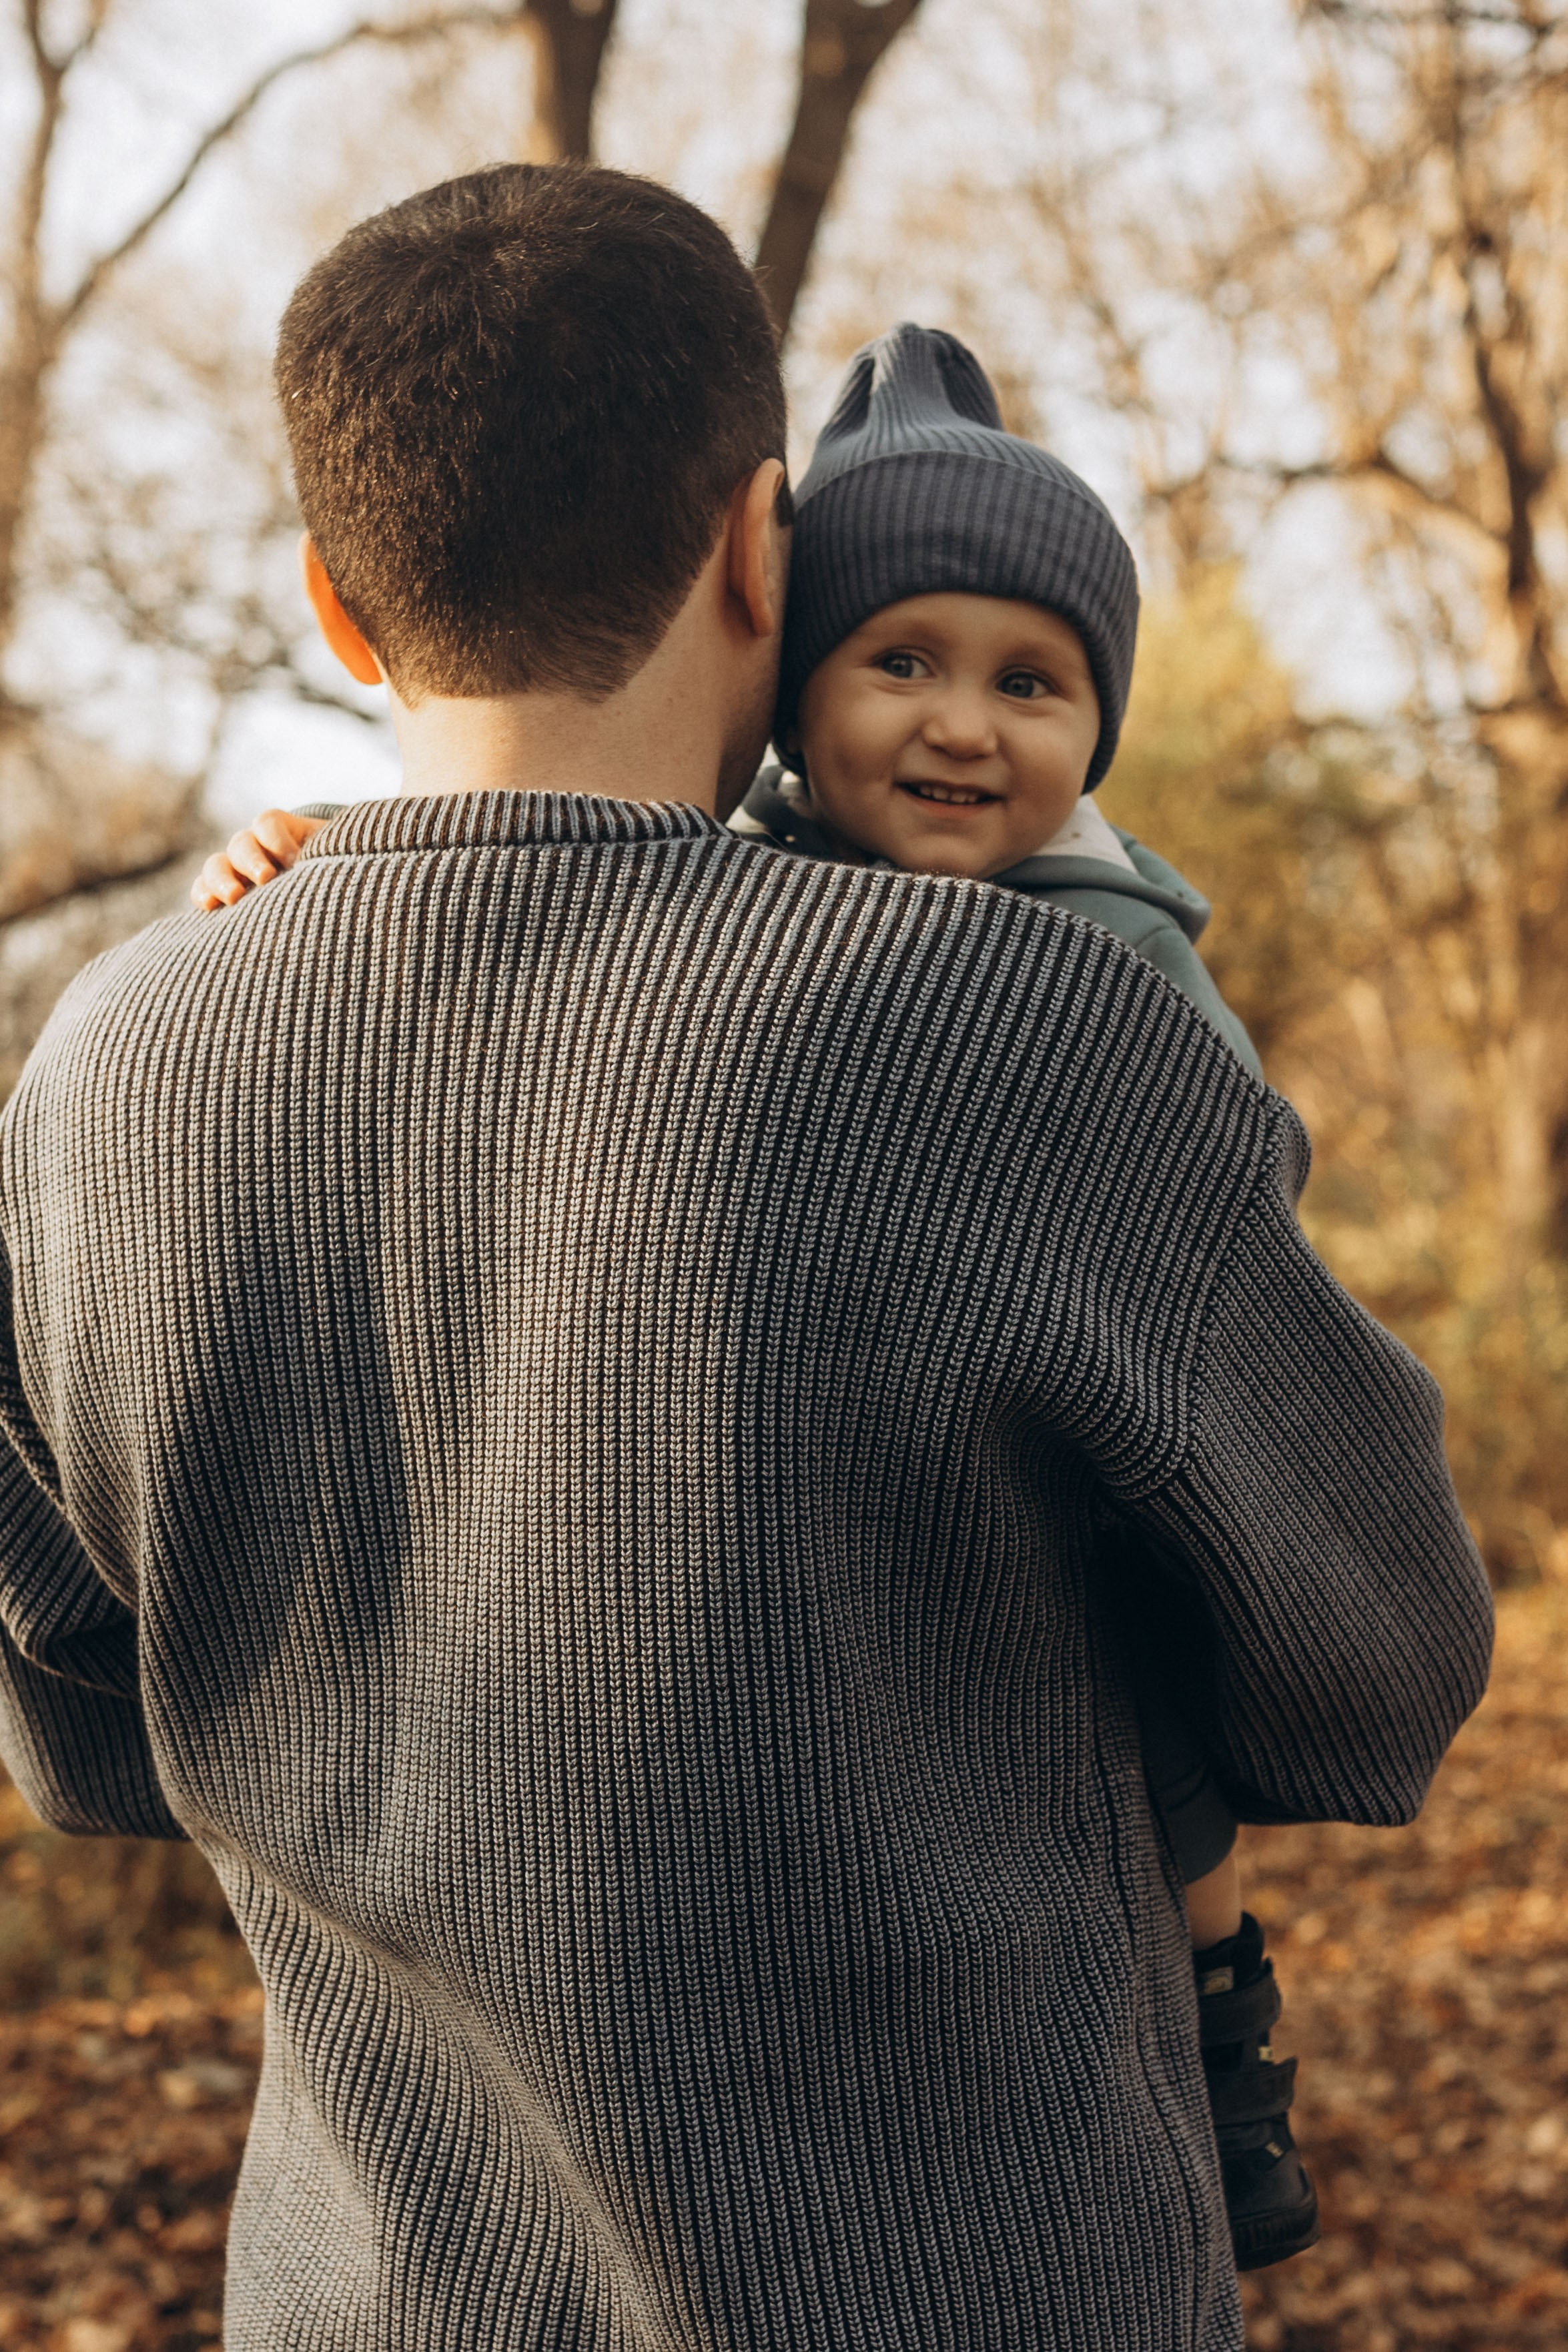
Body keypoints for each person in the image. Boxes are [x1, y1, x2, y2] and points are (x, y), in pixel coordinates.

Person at [1, 164, 1493, 2352]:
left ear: (337, 605)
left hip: (373, 2297)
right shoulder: (1014, 1028)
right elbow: (1383, 1654)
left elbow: (76, 1726)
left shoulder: (98, 1074)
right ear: (761, 546)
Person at [204, 321, 1312, 2271]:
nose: (966, 725)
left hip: (1095, 1509)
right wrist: (307, 870)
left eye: (1033, 684)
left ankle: (1231, 2044)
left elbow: (1242, 1254)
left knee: (1166, 1754)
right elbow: (532, 902)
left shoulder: (1116, 961)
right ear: (788, 681)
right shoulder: (728, 896)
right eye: (902, 664)